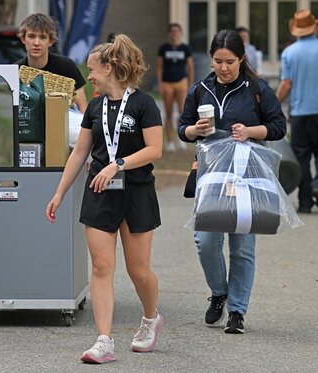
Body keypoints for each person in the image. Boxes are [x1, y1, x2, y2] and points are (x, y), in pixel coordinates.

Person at [46, 34, 163, 364]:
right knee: (101, 267)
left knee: (138, 270)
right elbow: (80, 153)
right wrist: (59, 192)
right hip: (99, 193)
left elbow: (155, 149)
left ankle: (150, 318)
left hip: (137, 191)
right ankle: (103, 340)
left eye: (92, 71)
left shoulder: (143, 103)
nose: (89, 78)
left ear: (109, 68)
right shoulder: (94, 107)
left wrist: (118, 164)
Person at [178, 30, 286, 334]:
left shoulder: (257, 89)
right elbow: (181, 128)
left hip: (247, 175)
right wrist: (193, 132)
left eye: (229, 62)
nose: (223, 68)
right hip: (211, 174)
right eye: (218, 61)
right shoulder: (200, 89)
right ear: (211, 59)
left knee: (242, 246)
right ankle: (219, 292)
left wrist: (251, 132)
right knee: (206, 241)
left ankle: (237, 311)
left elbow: (278, 127)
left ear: (242, 59)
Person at [277, 9, 318, 213]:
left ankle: (305, 202)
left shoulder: (289, 53)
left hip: (300, 113)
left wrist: (274, 103)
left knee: (302, 157)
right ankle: (317, 186)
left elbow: (286, 84)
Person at [17, 12, 88, 113]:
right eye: (31, 36)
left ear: (51, 41)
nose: (36, 43)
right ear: (23, 39)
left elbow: (83, 111)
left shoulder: (67, 67)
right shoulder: (15, 70)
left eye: (42, 37)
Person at [156, 22, 195, 152]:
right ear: (169, 33)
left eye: (177, 31)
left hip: (181, 82)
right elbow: (160, 67)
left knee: (182, 112)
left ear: (181, 33)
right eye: (172, 31)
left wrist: (190, 84)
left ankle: (181, 138)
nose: (175, 33)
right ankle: (170, 140)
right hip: (167, 83)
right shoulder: (163, 48)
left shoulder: (185, 48)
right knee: (168, 112)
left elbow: (190, 67)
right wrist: (160, 83)